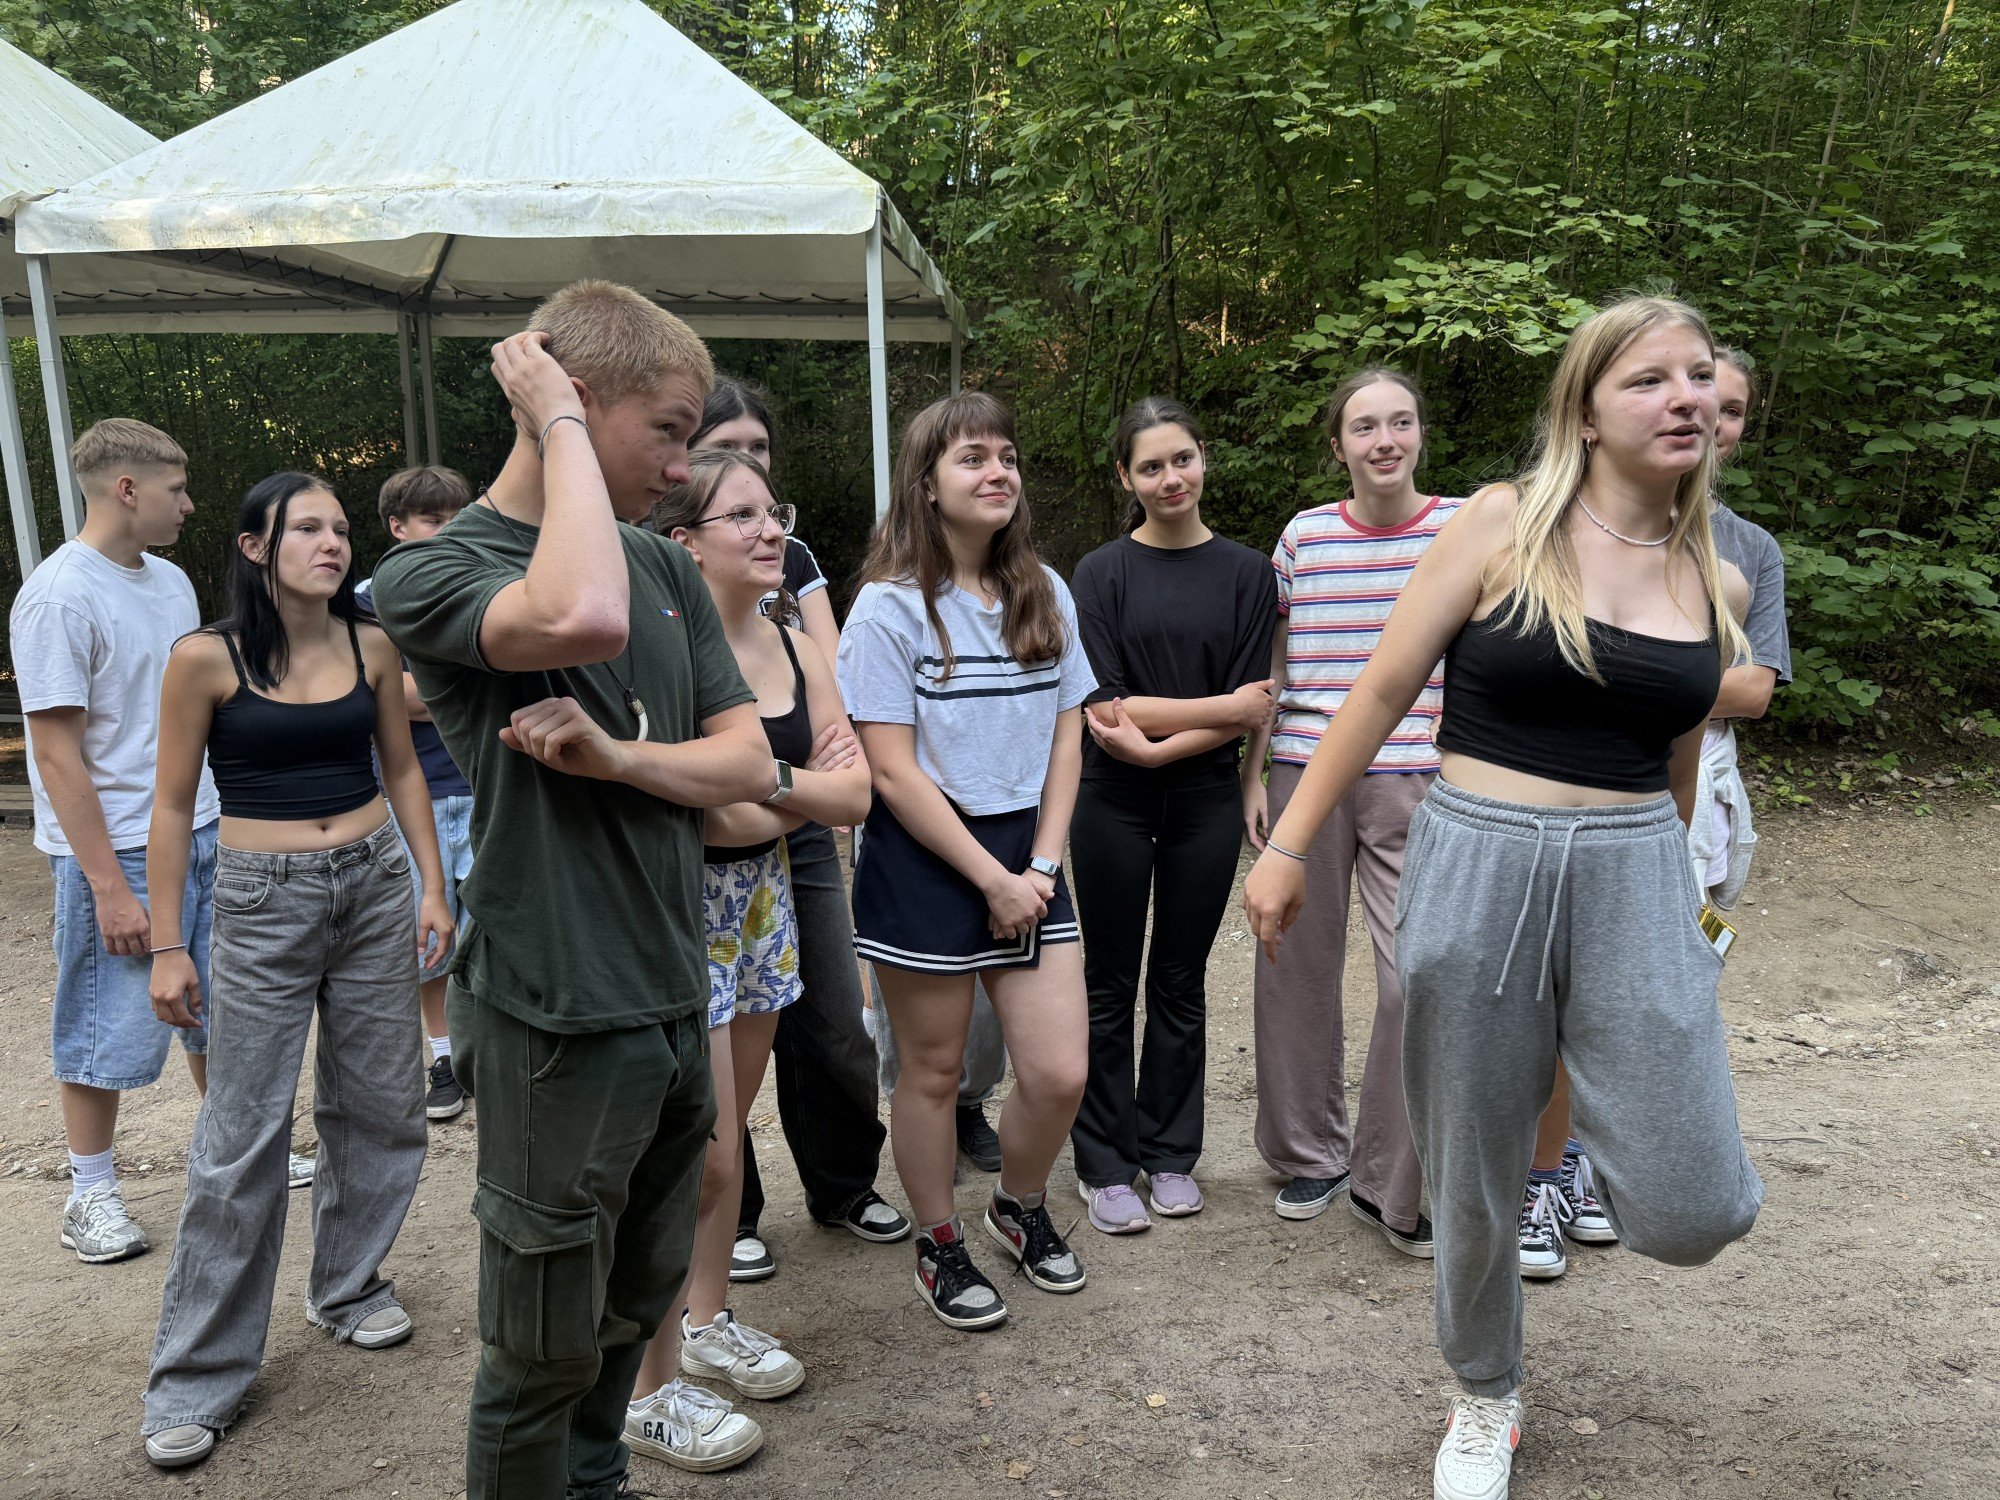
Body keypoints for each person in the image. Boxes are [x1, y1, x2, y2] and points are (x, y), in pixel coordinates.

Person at [1243, 295, 1764, 1500]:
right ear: (1583, 411)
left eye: (1697, 377)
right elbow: (1379, 690)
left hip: (1634, 864)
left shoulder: (1714, 578)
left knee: (1694, 1207)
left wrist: (1679, 903)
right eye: (1648, 379)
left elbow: (1680, 754)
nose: (1684, 397)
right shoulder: (1499, 523)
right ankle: (1483, 1390)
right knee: (1470, 1167)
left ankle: (1589, 1172)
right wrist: (1286, 846)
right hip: (1477, 854)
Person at [371, 282, 778, 1496]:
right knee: (537, 1351)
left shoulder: (660, 562)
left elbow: (749, 767)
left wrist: (619, 759)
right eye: (668, 431)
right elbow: (581, 616)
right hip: (553, 1012)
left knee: (624, 1314)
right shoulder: (435, 571)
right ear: (575, 399)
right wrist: (550, 416)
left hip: (670, 993)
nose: (684, 467)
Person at [139, 471, 450, 1471]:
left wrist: (432, 888)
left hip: (374, 885)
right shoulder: (205, 658)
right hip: (260, 901)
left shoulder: (370, 643)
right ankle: (196, 1377)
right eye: (306, 528)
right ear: (253, 548)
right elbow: (169, 804)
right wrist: (168, 943)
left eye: (340, 528)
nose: (332, 543)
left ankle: (348, 1288)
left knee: (383, 1104)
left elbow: (402, 768)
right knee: (243, 1136)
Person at [1515, 345, 1794, 1284]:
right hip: (1573, 795)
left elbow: (1754, 690)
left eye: (1728, 405)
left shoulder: (1746, 552)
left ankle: (1597, 1166)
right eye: (1673, 390)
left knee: (1650, 1002)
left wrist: (1632, 674)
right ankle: (1545, 1177)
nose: (1707, 415)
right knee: (1558, 1005)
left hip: (1691, 794)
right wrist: (1657, 672)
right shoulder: (1562, 523)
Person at [624, 448, 874, 1459]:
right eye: (743, 516)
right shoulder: (657, 653)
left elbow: (854, 794)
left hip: (762, 906)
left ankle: (706, 1320)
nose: (772, 531)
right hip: (677, 910)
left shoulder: (794, 642)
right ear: (684, 542)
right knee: (698, 1152)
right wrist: (793, 789)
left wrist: (757, 781)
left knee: (729, 1145)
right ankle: (645, 1389)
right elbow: (696, 809)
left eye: (775, 512)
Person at [837, 390, 1094, 1329]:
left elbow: (1068, 736)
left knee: (1059, 1073)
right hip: (926, 858)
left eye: (1007, 456)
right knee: (935, 1072)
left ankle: (1017, 1207)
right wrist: (989, 879)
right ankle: (938, 1241)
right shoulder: (886, 609)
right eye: (972, 458)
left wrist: (1040, 868)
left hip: (1031, 857)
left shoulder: (1046, 590)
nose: (997, 472)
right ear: (926, 483)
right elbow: (890, 771)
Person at [691, 380, 914, 1284]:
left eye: (761, 450)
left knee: (832, 1022)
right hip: (708, 871)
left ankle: (842, 1184)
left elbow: (840, 741)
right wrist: (805, 788)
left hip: (792, 853)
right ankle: (731, 1214)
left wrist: (777, 785)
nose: (752, 466)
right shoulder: (668, 622)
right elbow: (708, 803)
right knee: (712, 1070)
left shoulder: (791, 564)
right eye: (728, 448)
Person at [1240, 368, 1457, 1256]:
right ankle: (1309, 1153)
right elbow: (1275, 667)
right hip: (1304, 774)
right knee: (1292, 964)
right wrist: (1253, 776)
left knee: (1420, 974)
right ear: (1339, 446)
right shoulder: (1305, 537)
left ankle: (1388, 1177)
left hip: (1421, 777)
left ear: (1420, 433)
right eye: (1365, 427)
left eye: (1400, 422)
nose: (1385, 441)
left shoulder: (1462, 529)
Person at [1066, 397, 1277, 1233]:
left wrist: (1162, 745)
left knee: (1181, 980)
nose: (1170, 478)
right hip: (1110, 797)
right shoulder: (1099, 573)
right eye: (1150, 466)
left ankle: (1169, 1155)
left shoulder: (1249, 573)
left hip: (1205, 800)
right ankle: (1103, 1163)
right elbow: (1106, 704)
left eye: (1181, 459)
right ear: (1126, 477)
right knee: (1109, 981)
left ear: (1203, 459)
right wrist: (1222, 710)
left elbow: (1257, 702)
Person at [11, 420, 217, 1265]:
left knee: (218, 1009)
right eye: (176, 489)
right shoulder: (60, 595)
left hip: (201, 826)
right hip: (119, 847)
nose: (188, 505)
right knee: (105, 1022)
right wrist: (108, 886)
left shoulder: (171, 582)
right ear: (127, 490)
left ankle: (234, 1151)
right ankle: (90, 1195)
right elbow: (57, 754)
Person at [355, 465, 475, 1121]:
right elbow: (383, 696)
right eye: (433, 519)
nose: (448, 531)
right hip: (409, 797)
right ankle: (444, 1058)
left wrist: (420, 695)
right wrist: (460, 691)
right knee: (427, 937)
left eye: (458, 516)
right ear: (397, 527)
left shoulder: (483, 584)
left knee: (495, 930)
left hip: (483, 786)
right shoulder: (363, 603)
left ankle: (491, 1052)